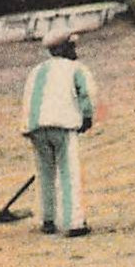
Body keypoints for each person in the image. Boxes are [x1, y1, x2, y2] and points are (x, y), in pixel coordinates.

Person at [21, 31, 97, 237]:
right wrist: (86, 119)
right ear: (61, 48)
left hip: (35, 127)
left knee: (45, 173)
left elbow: (29, 100)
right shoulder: (76, 69)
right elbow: (86, 97)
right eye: (71, 47)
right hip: (62, 126)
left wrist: (30, 129)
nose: (75, 51)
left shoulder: (36, 71)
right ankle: (75, 223)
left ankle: (48, 219)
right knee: (68, 172)